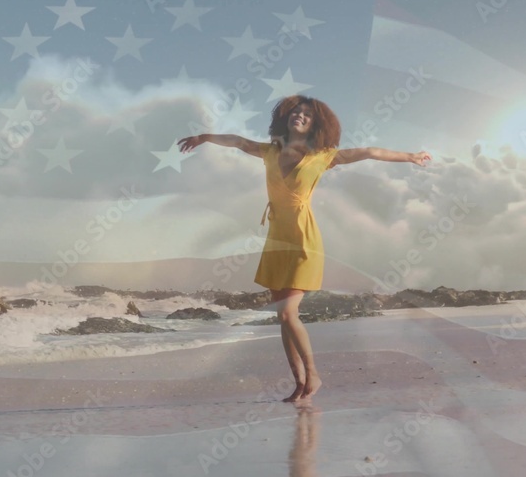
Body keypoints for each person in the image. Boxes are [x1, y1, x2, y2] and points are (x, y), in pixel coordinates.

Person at [177, 94, 431, 402]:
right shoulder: (271, 151)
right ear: (286, 118)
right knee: (282, 317)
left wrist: (410, 156)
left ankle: (314, 375)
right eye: (296, 112)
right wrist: (204, 137)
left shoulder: (322, 156)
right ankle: (299, 382)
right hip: (276, 239)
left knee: (287, 314)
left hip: (302, 238)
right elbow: (239, 141)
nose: (300, 116)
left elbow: (368, 151)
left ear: (316, 125)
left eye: (307, 115)